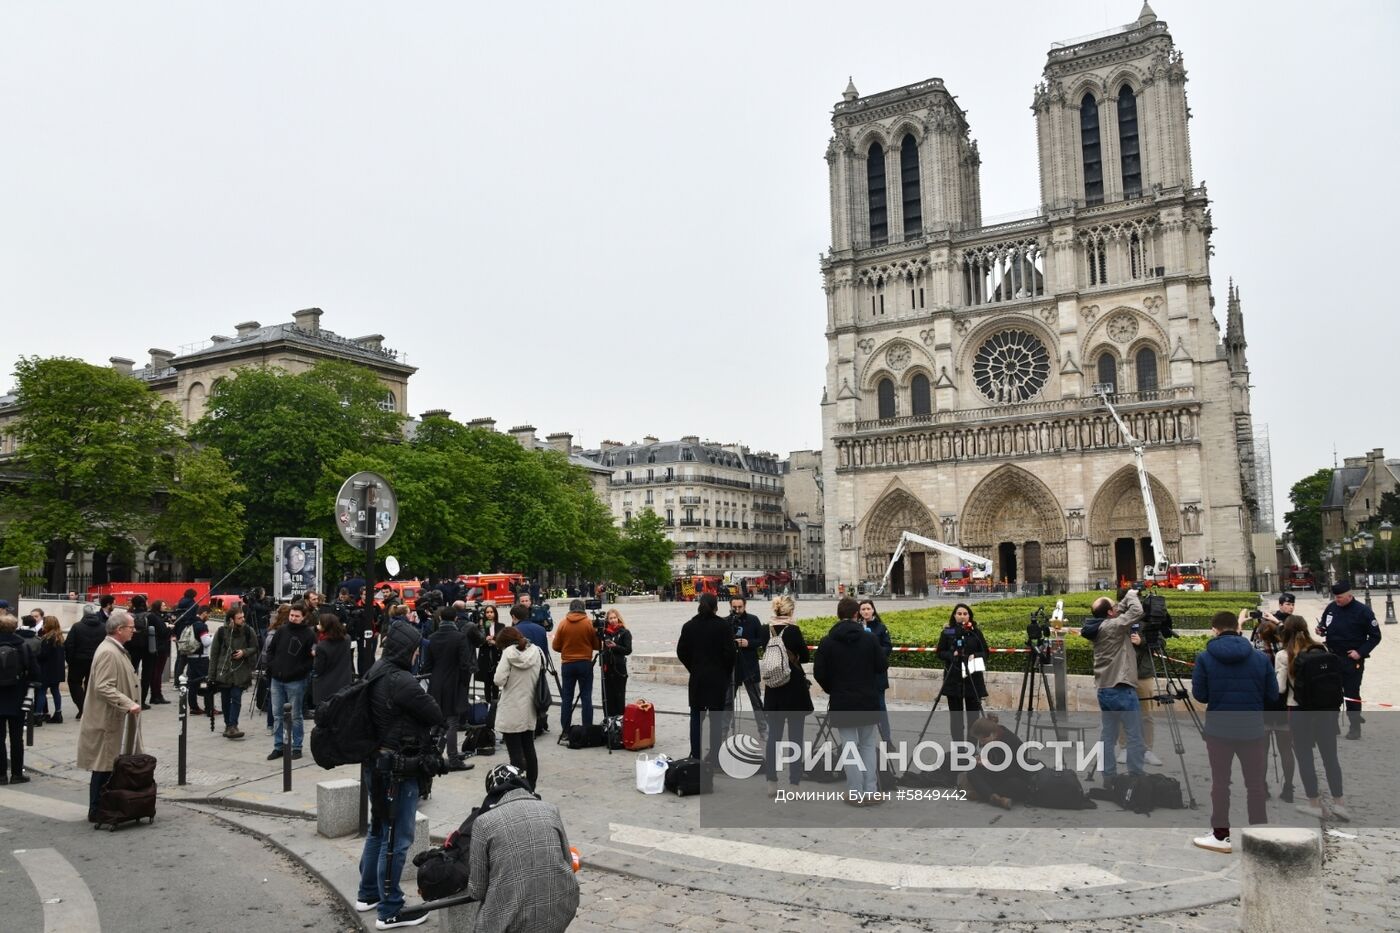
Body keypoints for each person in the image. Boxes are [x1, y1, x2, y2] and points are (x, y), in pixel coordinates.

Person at [354, 620, 445, 930]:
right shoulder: (402, 681)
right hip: (398, 769)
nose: (419, 654)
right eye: (416, 648)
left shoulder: (376, 669)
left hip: (374, 763)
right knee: (398, 838)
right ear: (408, 650)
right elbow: (435, 713)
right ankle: (390, 908)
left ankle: (368, 894)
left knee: (378, 829)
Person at [1190, 609, 1279, 854]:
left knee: (1220, 783)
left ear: (1214, 629)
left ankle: (1221, 836)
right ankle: (1259, 834)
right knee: (1256, 783)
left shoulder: (1205, 657)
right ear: (1238, 629)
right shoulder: (1260, 658)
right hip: (1252, 727)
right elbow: (1272, 695)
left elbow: (1201, 695)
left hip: (1219, 729)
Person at [465, 764, 580, 933]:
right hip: (560, 912)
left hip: (511, 923)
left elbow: (477, 890)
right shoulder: (550, 810)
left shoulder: (484, 823)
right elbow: (569, 864)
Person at [813, 596, 887, 805]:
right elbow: (882, 666)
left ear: (838, 615)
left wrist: (832, 688)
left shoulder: (828, 641)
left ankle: (855, 792)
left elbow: (819, 672)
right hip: (867, 699)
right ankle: (870, 790)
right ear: (857, 614)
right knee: (867, 745)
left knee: (849, 747)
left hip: (842, 700)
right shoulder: (870, 638)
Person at [1277, 616, 1350, 822]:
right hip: (1325, 711)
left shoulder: (1284, 655)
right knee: (1330, 757)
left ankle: (1315, 804)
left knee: (1305, 757)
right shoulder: (1321, 650)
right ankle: (1339, 803)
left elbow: (1280, 688)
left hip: (1299, 711)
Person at [76, 610, 143, 821]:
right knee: (103, 764)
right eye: (131, 627)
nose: (134, 631)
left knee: (108, 763)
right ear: (119, 629)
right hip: (106, 718)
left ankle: (104, 806)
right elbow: (103, 686)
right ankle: (96, 809)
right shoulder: (108, 652)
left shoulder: (115, 649)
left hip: (113, 716)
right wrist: (128, 703)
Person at [1082, 589, 1147, 784]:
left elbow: (1122, 611)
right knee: (1134, 735)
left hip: (1104, 689)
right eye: (1113, 606)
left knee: (1108, 736)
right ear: (1110, 613)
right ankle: (1136, 777)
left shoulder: (1099, 627)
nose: (1117, 607)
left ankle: (1109, 777)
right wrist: (1131, 594)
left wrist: (1122, 600)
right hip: (1121, 689)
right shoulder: (1113, 626)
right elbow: (1136, 612)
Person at [676, 593, 738, 762]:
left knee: (696, 718)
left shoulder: (689, 626)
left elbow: (681, 651)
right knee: (716, 721)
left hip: (698, 678)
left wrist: (693, 667)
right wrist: (724, 671)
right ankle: (715, 757)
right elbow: (730, 654)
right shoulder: (722, 626)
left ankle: (696, 755)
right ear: (716, 607)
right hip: (717, 679)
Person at [761, 594, 812, 794]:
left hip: (773, 689)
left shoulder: (766, 630)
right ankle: (794, 784)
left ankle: (771, 782)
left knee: (774, 736)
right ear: (790, 611)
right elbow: (806, 657)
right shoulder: (794, 630)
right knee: (795, 738)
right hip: (794, 689)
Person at [1318, 581, 1381, 740]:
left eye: (1339, 597)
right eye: (1335, 597)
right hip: (1332, 657)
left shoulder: (1363, 611)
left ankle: (1355, 727)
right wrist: (1320, 630)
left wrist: (1360, 652)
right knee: (1331, 693)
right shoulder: (1331, 608)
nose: (1337, 600)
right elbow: (1324, 625)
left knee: (1351, 693)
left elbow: (1375, 636)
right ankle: (1332, 726)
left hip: (1351, 659)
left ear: (1349, 595)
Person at [421, 607, 480, 771]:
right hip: (453, 683)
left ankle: (430, 755)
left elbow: (427, 665)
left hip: (435, 683)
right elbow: (464, 664)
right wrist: (462, 682)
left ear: (440, 619)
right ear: (455, 619)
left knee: (436, 721)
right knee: (452, 722)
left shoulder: (432, 637)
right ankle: (453, 758)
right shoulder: (459, 637)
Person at [493, 626, 544, 790]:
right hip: (530, 706)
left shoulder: (508, 653)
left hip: (511, 707)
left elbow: (498, 680)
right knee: (529, 747)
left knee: (515, 752)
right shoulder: (537, 651)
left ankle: (518, 787)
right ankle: (531, 785)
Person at [1252, 619, 1295, 801]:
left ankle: (1262, 787)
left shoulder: (1256, 652)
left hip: (1263, 703)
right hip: (1284, 703)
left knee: (1262, 750)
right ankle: (1288, 788)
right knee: (1286, 749)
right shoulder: (1287, 651)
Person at [266, 602, 315, 761]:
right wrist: (272, 667)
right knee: (277, 714)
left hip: (296, 681)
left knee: (296, 715)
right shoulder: (281, 630)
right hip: (277, 679)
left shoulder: (308, 634)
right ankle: (279, 746)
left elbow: (310, 660)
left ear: (303, 617)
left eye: (297, 616)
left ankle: (297, 746)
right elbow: (271, 651)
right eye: (292, 615)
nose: (293, 618)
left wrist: (298, 672)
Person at [935, 603, 988, 745]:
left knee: (973, 717)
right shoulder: (948, 632)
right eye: (959, 613)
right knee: (956, 718)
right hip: (953, 678)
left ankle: (971, 746)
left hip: (972, 679)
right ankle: (959, 747)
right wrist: (952, 655)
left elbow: (985, 652)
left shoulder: (975, 632)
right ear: (954, 615)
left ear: (969, 616)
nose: (962, 616)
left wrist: (975, 655)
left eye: (965, 614)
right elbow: (940, 652)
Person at [209, 605, 260, 739]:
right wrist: (211, 675)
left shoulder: (248, 631)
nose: (243, 620)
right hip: (224, 671)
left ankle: (233, 725)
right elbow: (214, 654)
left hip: (241, 670)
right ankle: (228, 725)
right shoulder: (221, 632)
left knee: (236, 697)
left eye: (243, 617)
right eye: (239, 618)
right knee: (225, 699)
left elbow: (255, 647)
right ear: (231, 619)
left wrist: (244, 652)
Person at [966, 715, 1036, 809]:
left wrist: (989, 765)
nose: (981, 743)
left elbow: (1015, 771)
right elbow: (992, 759)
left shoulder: (1013, 742)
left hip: (1010, 778)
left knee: (1015, 785)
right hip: (995, 775)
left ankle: (984, 794)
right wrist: (982, 760)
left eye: (982, 740)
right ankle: (995, 798)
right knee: (972, 772)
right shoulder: (990, 739)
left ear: (991, 734)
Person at [552, 599, 601, 733]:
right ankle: (587, 729)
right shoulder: (589, 624)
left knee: (567, 698)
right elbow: (597, 645)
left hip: (567, 664)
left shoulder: (563, 623)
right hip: (585, 663)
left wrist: (567, 649)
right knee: (586, 697)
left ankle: (566, 730)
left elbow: (555, 646)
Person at [0, 614, 37, 782]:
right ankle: (16, 773)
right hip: (17, 695)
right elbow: (35, 672)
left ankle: (1, 775)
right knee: (16, 737)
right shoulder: (23, 645)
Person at [727, 596, 768, 738]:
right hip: (732, 667)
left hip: (750, 666)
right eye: (734, 607)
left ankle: (763, 730)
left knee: (756, 700)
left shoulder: (753, 620)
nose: (737, 610)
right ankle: (725, 730)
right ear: (730, 606)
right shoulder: (727, 621)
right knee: (727, 702)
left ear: (745, 606)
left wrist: (748, 643)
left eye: (740, 607)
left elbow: (762, 640)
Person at [857, 599, 895, 744]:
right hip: (862, 674)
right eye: (863, 609)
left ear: (873, 610)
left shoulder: (881, 627)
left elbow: (888, 647)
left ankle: (886, 738)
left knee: (880, 707)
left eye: (868, 609)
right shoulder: (857, 627)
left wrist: (875, 653)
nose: (866, 612)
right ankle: (864, 740)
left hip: (877, 674)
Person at [511, 603, 552, 736]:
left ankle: (527, 727)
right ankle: (539, 722)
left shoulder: (514, 630)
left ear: (514, 616)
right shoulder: (541, 629)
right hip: (538, 667)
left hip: (521, 670)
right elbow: (545, 651)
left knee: (524, 699)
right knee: (538, 696)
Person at [63, 602, 107, 720]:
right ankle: (89, 708)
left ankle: (83, 708)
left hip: (79, 660)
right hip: (97, 659)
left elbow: (69, 645)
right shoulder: (103, 627)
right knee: (91, 683)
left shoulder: (77, 626)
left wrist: (70, 660)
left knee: (74, 682)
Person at [313, 611, 355, 706]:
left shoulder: (322, 646)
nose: (318, 625)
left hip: (326, 686)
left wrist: (315, 655)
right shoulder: (347, 638)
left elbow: (318, 668)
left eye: (320, 624)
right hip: (344, 682)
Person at [182, 605, 215, 716]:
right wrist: (212, 637)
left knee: (193, 684)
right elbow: (205, 642)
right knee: (206, 683)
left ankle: (194, 707)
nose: (209, 617)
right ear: (204, 613)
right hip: (202, 659)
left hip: (191, 658)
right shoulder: (201, 626)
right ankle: (209, 708)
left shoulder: (190, 623)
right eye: (208, 615)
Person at [599, 608, 633, 719]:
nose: (613, 620)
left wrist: (615, 646)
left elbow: (628, 650)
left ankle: (619, 719)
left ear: (618, 618)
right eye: (610, 618)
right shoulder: (605, 633)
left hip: (619, 668)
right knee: (608, 695)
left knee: (619, 694)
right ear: (607, 620)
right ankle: (608, 719)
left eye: (614, 618)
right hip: (607, 667)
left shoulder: (625, 632)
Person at [35, 616, 66, 724]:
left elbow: (43, 655)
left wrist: (35, 655)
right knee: (55, 690)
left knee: (41, 691)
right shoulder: (60, 637)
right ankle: (58, 713)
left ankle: (37, 715)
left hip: (46, 669)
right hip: (57, 670)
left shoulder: (48, 639)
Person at [142, 599, 172, 705]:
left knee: (156, 672)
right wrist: (169, 628)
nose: (165, 606)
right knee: (157, 673)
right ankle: (156, 695)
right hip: (160, 648)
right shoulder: (155, 617)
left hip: (157, 647)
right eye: (163, 605)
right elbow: (163, 632)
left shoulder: (154, 616)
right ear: (158, 606)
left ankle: (156, 694)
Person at [125, 595, 149, 687]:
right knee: (146, 672)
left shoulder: (127, 616)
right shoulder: (149, 616)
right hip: (146, 645)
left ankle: (131, 689)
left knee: (132, 668)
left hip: (131, 645)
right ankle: (142, 697)